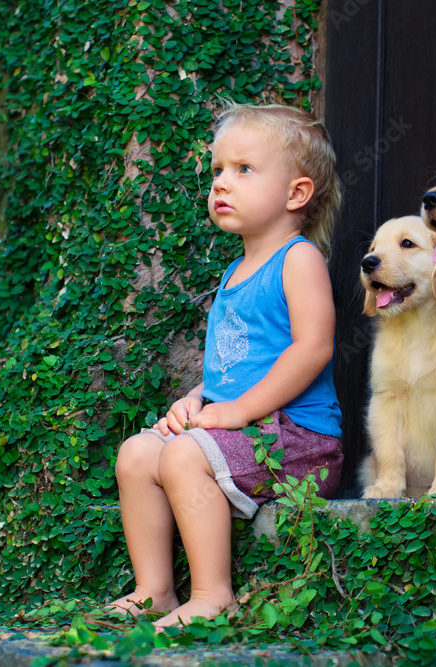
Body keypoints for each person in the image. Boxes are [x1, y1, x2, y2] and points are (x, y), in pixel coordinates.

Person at [105, 103, 344, 628]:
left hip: (299, 442)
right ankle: (155, 589)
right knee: (138, 454)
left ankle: (215, 596)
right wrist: (197, 400)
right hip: (241, 426)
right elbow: (234, 364)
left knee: (183, 457)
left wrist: (235, 412)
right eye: (217, 171)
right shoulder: (237, 269)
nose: (221, 184)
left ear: (296, 194)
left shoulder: (298, 259)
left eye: (243, 170)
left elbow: (313, 349)